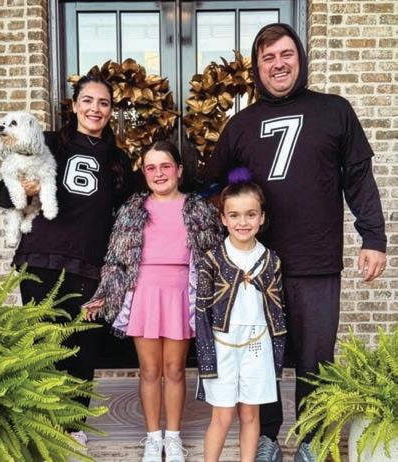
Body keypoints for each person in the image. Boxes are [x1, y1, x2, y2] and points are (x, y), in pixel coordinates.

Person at [201, 23, 387, 462]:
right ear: (257, 67)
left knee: (315, 358)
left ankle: (311, 440)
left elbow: (359, 179)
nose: (278, 64)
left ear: (300, 58)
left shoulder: (334, 110)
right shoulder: (240, 125)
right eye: (268, 58)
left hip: (316, 259)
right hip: (256, 268)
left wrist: (373, 237)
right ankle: (266, 436)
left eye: (286, 54)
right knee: (259, 354)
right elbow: (212, 186)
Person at [0, 74, 134, 445]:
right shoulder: (47, 143)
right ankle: (40, 427)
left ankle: (73, 427)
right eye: (87, 100)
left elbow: (127, 217)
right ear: (74, 105)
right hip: (41, 259)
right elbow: (5, 192)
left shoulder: (118, 160)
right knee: (43, 347)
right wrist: (24, 190)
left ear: (111, 110)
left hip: (89, 265)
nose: (95, 109)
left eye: (103, 103)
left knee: (81, 348)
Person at [83, 140, 224, 462]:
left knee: (174, 369)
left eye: (165, 166)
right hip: (144, 292)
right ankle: (152, 437)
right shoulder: (132, 210)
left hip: (180, 293)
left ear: (179, 170)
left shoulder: (199, 209)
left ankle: (172, 438)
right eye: (151, 168)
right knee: (149, 370)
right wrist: (103, 294)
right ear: (144, 173)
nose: (159, 173)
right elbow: (116, 260)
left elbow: (214, 257)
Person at [195, 169, 286, 462]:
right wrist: (206, 356)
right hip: (223, 345)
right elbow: (202, 311)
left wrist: (277, 354)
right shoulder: (212, 260)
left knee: (250, 414)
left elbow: (277, 311)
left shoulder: (271, 260)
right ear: (223, 218)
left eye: (250, 214)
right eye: (234, 215)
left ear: (261, 217)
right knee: (222, 415)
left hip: (257, 344)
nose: (242, 222)